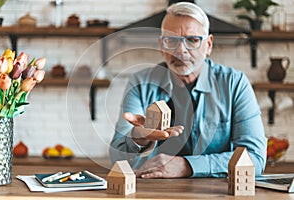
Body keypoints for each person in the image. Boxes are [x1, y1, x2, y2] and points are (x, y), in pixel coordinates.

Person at [109, 2, 267, 178]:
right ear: (162, 45)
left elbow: (255, 159)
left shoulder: (234, 84)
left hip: (216, 194)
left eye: (192, 40)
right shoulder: (140, 84)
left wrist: (187, 166)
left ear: (208, 45)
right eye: (171, 40)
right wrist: (138, 139)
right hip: (154, 190)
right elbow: (118, 159)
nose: (180, 50)